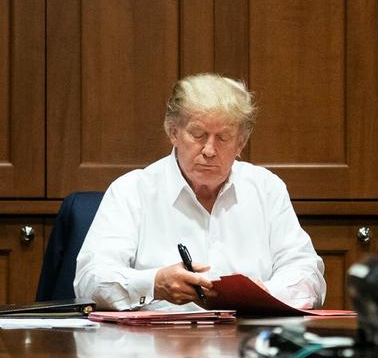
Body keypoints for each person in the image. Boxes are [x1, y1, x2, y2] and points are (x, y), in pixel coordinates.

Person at [74, 73, 326, 311]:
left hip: (245, 342)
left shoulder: (266, 188)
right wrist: (154, 283)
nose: (209, 150)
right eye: (198, 134)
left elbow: (307, 273)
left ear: (241, 142)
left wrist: (265, 292)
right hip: (156, 348)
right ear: (173, 132)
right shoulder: (133, 191)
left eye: (223, 138)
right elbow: (90, 280)